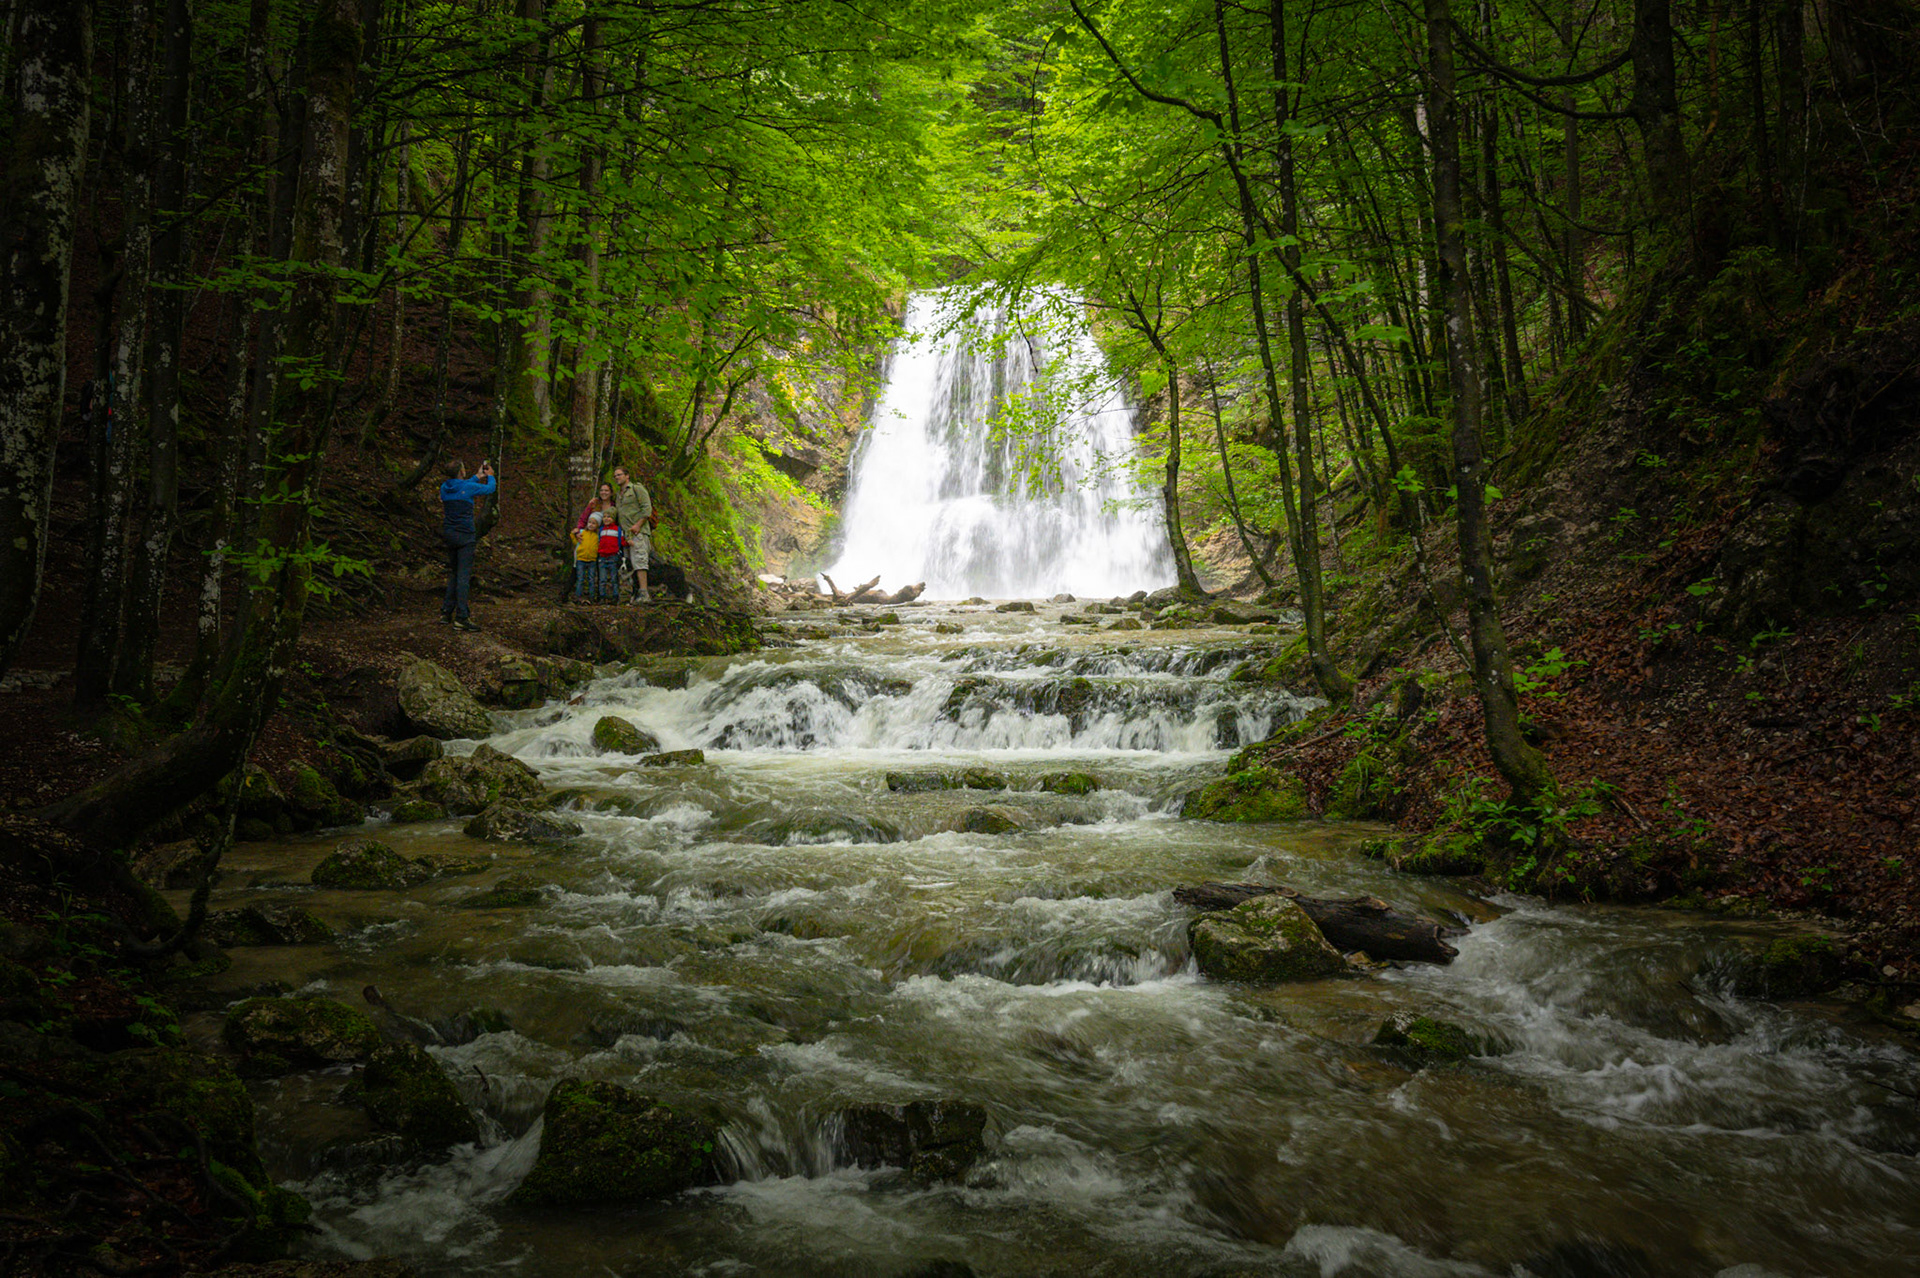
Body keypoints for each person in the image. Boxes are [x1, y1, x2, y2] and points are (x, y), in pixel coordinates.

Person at [439, 457, 495, 630]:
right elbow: (490, 489)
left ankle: (446, 613)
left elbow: (461, 488)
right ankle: (462, 617)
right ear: (461, 472)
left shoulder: (445, 488)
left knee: (454, 573)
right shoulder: (467, 487)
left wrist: (477, 476)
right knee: (463, 576)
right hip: (465, 537)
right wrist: (491, 476)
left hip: (450, 535)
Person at [611, 464, 657, 603]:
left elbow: (646, 508)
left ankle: (644, 592)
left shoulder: (637, 489)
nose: (617, 477)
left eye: (619, 474)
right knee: (628, 563)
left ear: (627, 476)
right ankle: (632, 593)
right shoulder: (619, 495)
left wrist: (638, 525)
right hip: (625, 535)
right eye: (615, 476)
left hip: (639, 532)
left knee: (640, 560)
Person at [594, 503, 625, 603]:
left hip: (613, 556)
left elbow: (622, 541)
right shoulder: (601, 530)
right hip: (602, 557)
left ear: (614, 518)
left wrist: (629, 542)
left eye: (609, 517)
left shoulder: (618, 530)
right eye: (605, 517)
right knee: (602, 579)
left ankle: (615, 597)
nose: (606, 519)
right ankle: (602, 597)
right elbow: (598, 541)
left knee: (614, 578)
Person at [572, 511, 603, 603]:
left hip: (592, 560)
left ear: (597, 525)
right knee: (580, 579)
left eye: (594, 523)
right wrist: (574, 533)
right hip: (581, 559)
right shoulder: (582, 532)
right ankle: (578, 597)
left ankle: (592, 597)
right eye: (590, 522)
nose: (591, 525)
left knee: (591, 579)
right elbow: (574, 539)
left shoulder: (597, 536)